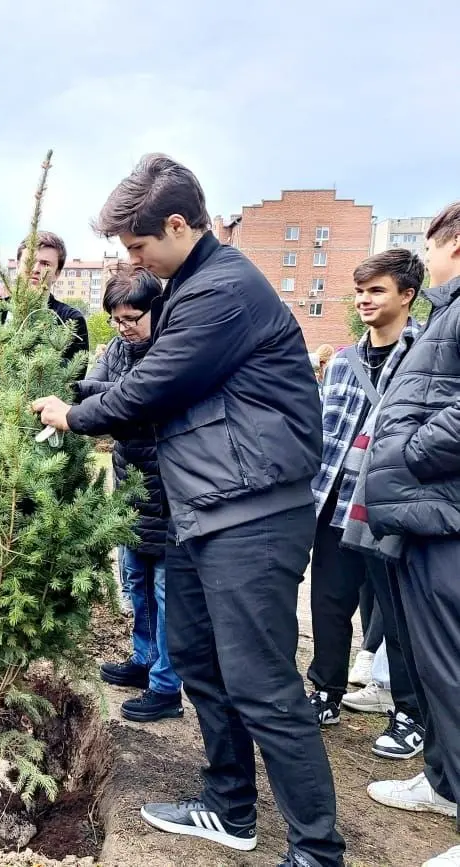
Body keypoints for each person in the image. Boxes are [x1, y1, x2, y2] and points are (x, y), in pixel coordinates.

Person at [32, 154, 344, 866]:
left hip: (252, 511)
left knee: (263, 683)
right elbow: (148, 383)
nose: (134, 260)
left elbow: (154, 387)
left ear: (178, 224)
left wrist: (72, 414)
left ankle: (319, 850)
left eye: (139, 246)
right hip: (200, 508)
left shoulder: (224, 290)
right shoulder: (188, 287)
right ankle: (231, 808)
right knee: (201, 662)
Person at [363, 201, 460, 867]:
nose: (427, 260)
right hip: (421, 515)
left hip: (443, 513)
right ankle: (447, 784)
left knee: (454, 673)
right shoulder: (448, 311)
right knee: (434, 672)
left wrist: (414, 452)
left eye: (435, 247)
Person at [306, 249, 425, 763]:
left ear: (407, 295)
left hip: (387, 507)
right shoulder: (343, 363)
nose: (365, 300)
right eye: (360, 291)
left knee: (397, 617)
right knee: (329, 605)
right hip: (335, 504)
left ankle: (409, 714)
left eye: (376, 290)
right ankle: (326, 693)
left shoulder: (426, 357)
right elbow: (324, 434)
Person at [82, 265, 182, 724]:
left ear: (155, 310)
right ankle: (142, 661)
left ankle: (166, 686)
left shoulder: (172, 349)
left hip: (167, 489)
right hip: (128, 486)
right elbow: (99, 396)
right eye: (116, 320)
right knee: (136, 583)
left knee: (166, 591)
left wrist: (95, 396)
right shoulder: (118, 348)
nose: (123, 328)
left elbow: (135, 400)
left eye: (132, 318)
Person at [0, 231, 90, 391]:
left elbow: (75, 375)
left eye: (45, 264)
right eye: (29, 261)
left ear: (57, 273)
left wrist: (33, 363)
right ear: (18, 266)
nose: (36, 269)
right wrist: (0, 361)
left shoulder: (71, 320)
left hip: (41, 414)